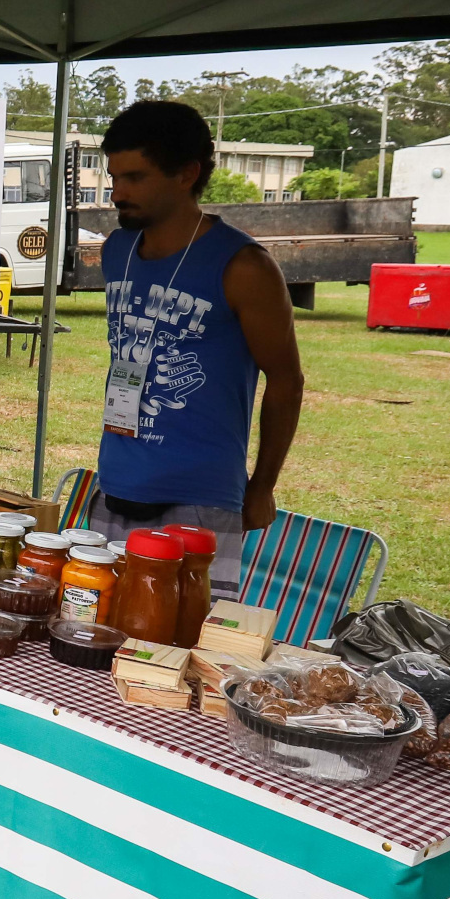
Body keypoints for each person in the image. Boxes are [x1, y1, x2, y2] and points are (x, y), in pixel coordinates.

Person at [80, 100, 306, 596]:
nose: (116, 192)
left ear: (187, 173)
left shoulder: (244, 267)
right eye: (113, 176)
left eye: (134, 177)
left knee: (177, 646)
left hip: (198, 499)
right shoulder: (118, 250)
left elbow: (287, 381)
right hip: (115, 484)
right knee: (93, 627)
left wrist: (262, 486)